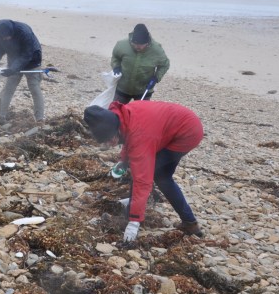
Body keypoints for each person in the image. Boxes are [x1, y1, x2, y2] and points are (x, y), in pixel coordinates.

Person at [83, 101, 204, 242]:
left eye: (110, 139)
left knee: (160, 176)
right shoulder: (121, 116)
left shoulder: (140, 135)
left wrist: (134, 222)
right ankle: (189, 222)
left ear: (115, 130)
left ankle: (189, 223)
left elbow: (142, 179)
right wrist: (124, 160)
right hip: (170, 126)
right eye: (105, 141)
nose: (109, 144)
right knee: (151, 171)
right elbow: (128, 136)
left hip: (186, 132)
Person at [0, 19, 44, 125]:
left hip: (32, 60)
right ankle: (1, 116)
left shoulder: (24, 32)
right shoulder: (0, 33)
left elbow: (26, 54)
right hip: (13, 59)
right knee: (8, 88)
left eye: (7, 36)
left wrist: (13, 69)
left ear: (11, 31)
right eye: (3, 37)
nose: (5, 38)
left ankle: (39, 119)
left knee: (34, 88)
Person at [111, 23, 170, 103]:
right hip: (122, 88)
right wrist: (116, 66)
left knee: (142, 114)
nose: (138, 47)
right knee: (116, 112)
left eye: (141, 45)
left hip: (144, 90)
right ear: (132, 40)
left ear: (147, 42)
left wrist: (156, 77)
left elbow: (165, 65)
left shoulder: (157, 50)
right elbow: (115, 56)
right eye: (135, 44)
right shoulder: (122, 45)